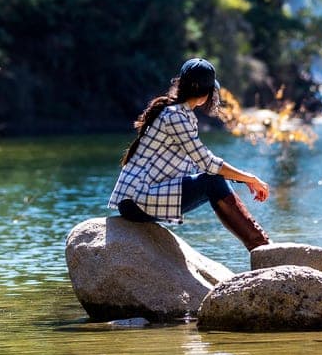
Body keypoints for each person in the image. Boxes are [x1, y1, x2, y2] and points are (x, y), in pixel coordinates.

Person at [108, 58, 270, 251]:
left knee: (214, 179)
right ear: (206, 94)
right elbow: (208, 164)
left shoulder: (180, 115)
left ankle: (260, 244)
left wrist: (240, 179)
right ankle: (261, 245)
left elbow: (201, 166)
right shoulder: (175, 116)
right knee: (213, 180)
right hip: (137, 200)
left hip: (137, 198)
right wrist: (250, 177)